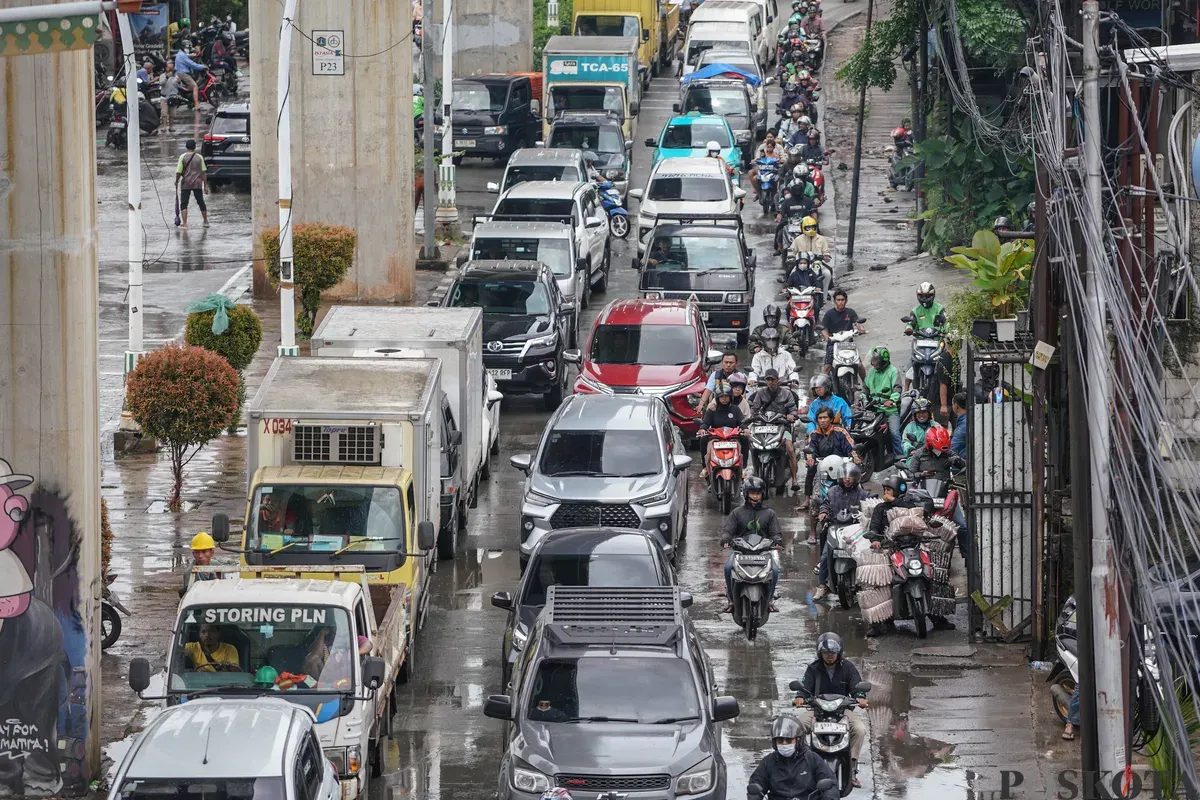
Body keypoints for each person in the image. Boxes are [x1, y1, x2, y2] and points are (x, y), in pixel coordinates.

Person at [864, 475, 955, 635]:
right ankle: (878, 623)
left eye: (889, 490)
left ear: (899, 491)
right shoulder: (880, 509)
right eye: (885, 490)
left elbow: (919, 518)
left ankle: (938, 618)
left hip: (914, 546)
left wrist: (894, 502)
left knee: (934, 574)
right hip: (890, 548)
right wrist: (874, 539)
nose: (886, 493)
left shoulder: (909, 505)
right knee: (880, 582)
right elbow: (874, 528)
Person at [792, 633, 869, 786]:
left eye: (832, 653)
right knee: (796, 727)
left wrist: (860, 697)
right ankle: (802, 761)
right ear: (820, 653)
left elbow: (856, 685)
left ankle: (852, 767)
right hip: (817, 710)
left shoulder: (848, 667)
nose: (829, 656)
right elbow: (804, 688)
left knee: (860, 729)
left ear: (838, 653)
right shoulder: (813, 668)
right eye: (826, 653)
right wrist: (800, 697)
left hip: (842, 711)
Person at [907, 426, 970, 567]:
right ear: (929, 444)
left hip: (944, 495)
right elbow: (910, 474)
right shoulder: (919, 455)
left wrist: (956, 461)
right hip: (924, 497)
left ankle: (968, 558)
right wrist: (921, 475)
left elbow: (964, 466)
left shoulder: (947, 453)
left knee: (962, 526)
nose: (939, 453)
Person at [721, 477, 782, 612]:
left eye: (758, 493)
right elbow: (728, 530)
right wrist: (726, 539)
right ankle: (731, 600)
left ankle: (770, 599)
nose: (756, 496)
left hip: (763, 552)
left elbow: (775, 532)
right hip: (740, 552)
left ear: (762, 494)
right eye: (752, 493)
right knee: (727, 567)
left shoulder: (769, 514)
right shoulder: (737, 513)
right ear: (746, 494)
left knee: (775, 571)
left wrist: (777, 541)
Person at [747, 715, 839, 800]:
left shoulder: (812, 759)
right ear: (775, 742)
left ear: (798, 740)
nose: (784, 743)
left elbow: (830, 785)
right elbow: (756, 784)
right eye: (780, 740)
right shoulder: (768, 762)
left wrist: (829, 797)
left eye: (788, 740)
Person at [813, 462, 868, 600]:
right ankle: (822, 585)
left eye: (850, 477)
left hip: (855, 529)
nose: (847, 480)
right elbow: (825, 504)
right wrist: (823, 513)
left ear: (856, 478)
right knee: (826, 555)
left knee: (865, 555)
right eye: (844, 477)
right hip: (835, 527)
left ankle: (865, 583)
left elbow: (867, 507)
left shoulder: (862, 494)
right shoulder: (833, 491)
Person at [749, 369, 801, 491]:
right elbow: (754, 409)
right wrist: (753, 415)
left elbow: (793, 408)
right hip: (763, 426)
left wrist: (791, 415)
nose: (770, 382)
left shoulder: (787, 393)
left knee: (789, 449)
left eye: (773, 379)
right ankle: (754, 472)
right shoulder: (760, 393)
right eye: (768, 379)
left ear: (778, 380)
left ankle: (794, 479)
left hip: (784, 427)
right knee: (753, 445)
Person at [801, 407, 854, 511]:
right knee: (815, 498)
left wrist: (855, 457)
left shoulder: (841, 432)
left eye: (825, 417)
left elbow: (851, 447)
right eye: (820, 418)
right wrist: (810, 459)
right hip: (823, 467)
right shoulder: (814, 434)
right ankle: (807, 500)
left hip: (841, 467)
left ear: (831, 419)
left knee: (855, 482)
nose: (822, 420)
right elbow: (810, 449)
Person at [700, 387, 746, 480]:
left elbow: (742, 422)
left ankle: (743, 467)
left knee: (745, 439)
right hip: (715, 437)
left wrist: (745, 429)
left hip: (733, 437)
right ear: (717, 398)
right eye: (721, 397)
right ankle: (705, 467)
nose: (724, 399)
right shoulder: (712, 409)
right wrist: (702, 429)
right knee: (703, 439)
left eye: (726, 397)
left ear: (730, 397)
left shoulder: (735, 409)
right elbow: (705, 423)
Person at [864, 346, 902, 457]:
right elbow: (865, 388)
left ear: (882, 360)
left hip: (890, 410)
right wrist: (862, 398)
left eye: (875, 360)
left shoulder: (893, 371)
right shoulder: (871, 372)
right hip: (874, 409)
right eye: (872, 360)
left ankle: (900, 458)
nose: (873, 363)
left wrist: (891, 400)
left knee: (894, 433)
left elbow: (897, 388)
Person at [819, 290, 866, 374]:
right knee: (827, 367)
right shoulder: (829, 314)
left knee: (859, 365)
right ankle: (823, 386)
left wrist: (861, 329)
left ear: (846, 301)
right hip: (833, 343)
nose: (840, 302)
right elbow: (823, 328)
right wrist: (826, 337)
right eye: (838, 300)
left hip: (849, 342)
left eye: (842, 300)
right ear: (834, 301)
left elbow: (857, 323)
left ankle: (866, 385)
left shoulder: (851, 312)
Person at [175, 139, 209, 228]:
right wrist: (205, 185)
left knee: (184, 203)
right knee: (201, 202)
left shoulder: (182, 157)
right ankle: (205, 221)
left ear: (186, 147)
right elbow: (203, 173)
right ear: (194, 147)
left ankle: (185, 223)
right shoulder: (199, 157)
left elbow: (178, 171)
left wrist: (176, 181)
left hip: (186, 183)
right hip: (197, 183)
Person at [158, 63, 178, 133]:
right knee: (164, 113)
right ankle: (164, 126)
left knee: (172, 113)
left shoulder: (176, 76)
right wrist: (166, 77)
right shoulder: (162, 75)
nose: (171, 69)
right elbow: (160, 83)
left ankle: (171, 126)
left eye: (172, 67)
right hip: (164, 97)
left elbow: (180, 85)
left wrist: (179, 82)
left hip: (173, 97)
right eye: (169, 68)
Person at [950, 391, 968, 459]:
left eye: (952, 404)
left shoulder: (964, 423)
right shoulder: (970, 418)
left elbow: (954, 446)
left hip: (963, 463)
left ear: (956, 406)